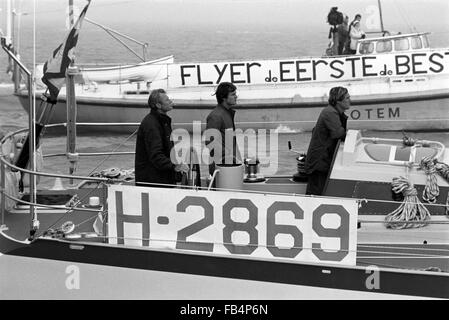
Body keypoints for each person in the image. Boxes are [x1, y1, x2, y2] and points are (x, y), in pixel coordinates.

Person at [134, 89, 188, 187]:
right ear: (158, 105)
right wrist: (176, 166)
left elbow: (166, 148)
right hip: (153, 180)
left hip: (161, 177)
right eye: (167, 100)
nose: (171, 101)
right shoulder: (152, 124)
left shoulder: (162, 121)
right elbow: (156, 155)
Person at [304, 87, 350, 196]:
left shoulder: (335, 112)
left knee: (318, 192)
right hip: (319, 163)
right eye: (347, 98)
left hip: (324, 161)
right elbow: (338, 133)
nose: (350, 100)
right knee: (315, 194)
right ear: (338, 101)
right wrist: (350, 134)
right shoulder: (330, 112)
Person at [205, 82, 241, 177]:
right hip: (221, 167)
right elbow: (210, 142)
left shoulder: (227, 114)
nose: (236, 97)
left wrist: (239, 162)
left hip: (229, 165)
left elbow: (232, 142)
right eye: (233, 94)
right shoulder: (216, 116)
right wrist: (229, 156)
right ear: (223, 98)